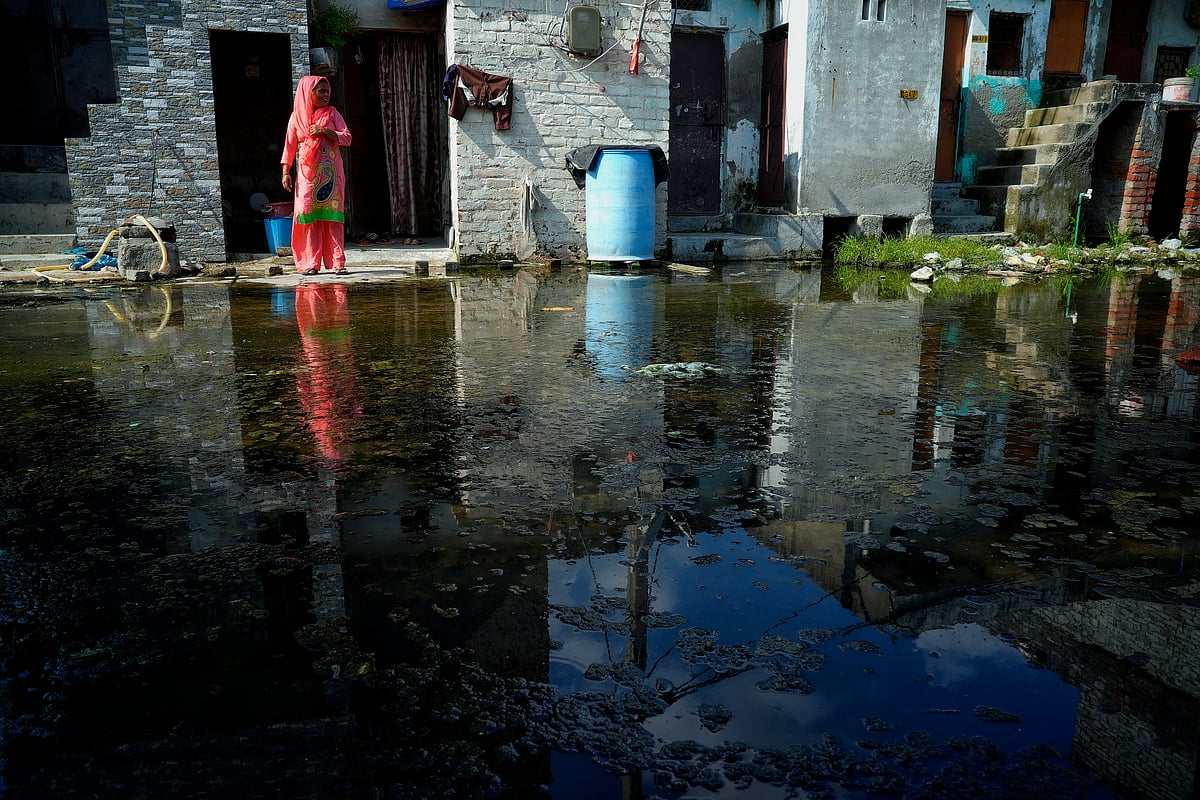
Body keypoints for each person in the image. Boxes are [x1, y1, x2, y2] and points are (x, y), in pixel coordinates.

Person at [281, 75, 353, 276]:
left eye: (326, 91)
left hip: (331, 174)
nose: (325, 94)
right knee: (308, 216)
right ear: (307, 92)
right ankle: (310, 263)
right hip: (307, 175)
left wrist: (325, 131)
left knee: (333, 218)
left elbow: (347, 138)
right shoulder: (297, 117)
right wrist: (286, 172)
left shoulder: (332, 114)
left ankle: (338, 262)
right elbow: (289, 146)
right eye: (320, 91)